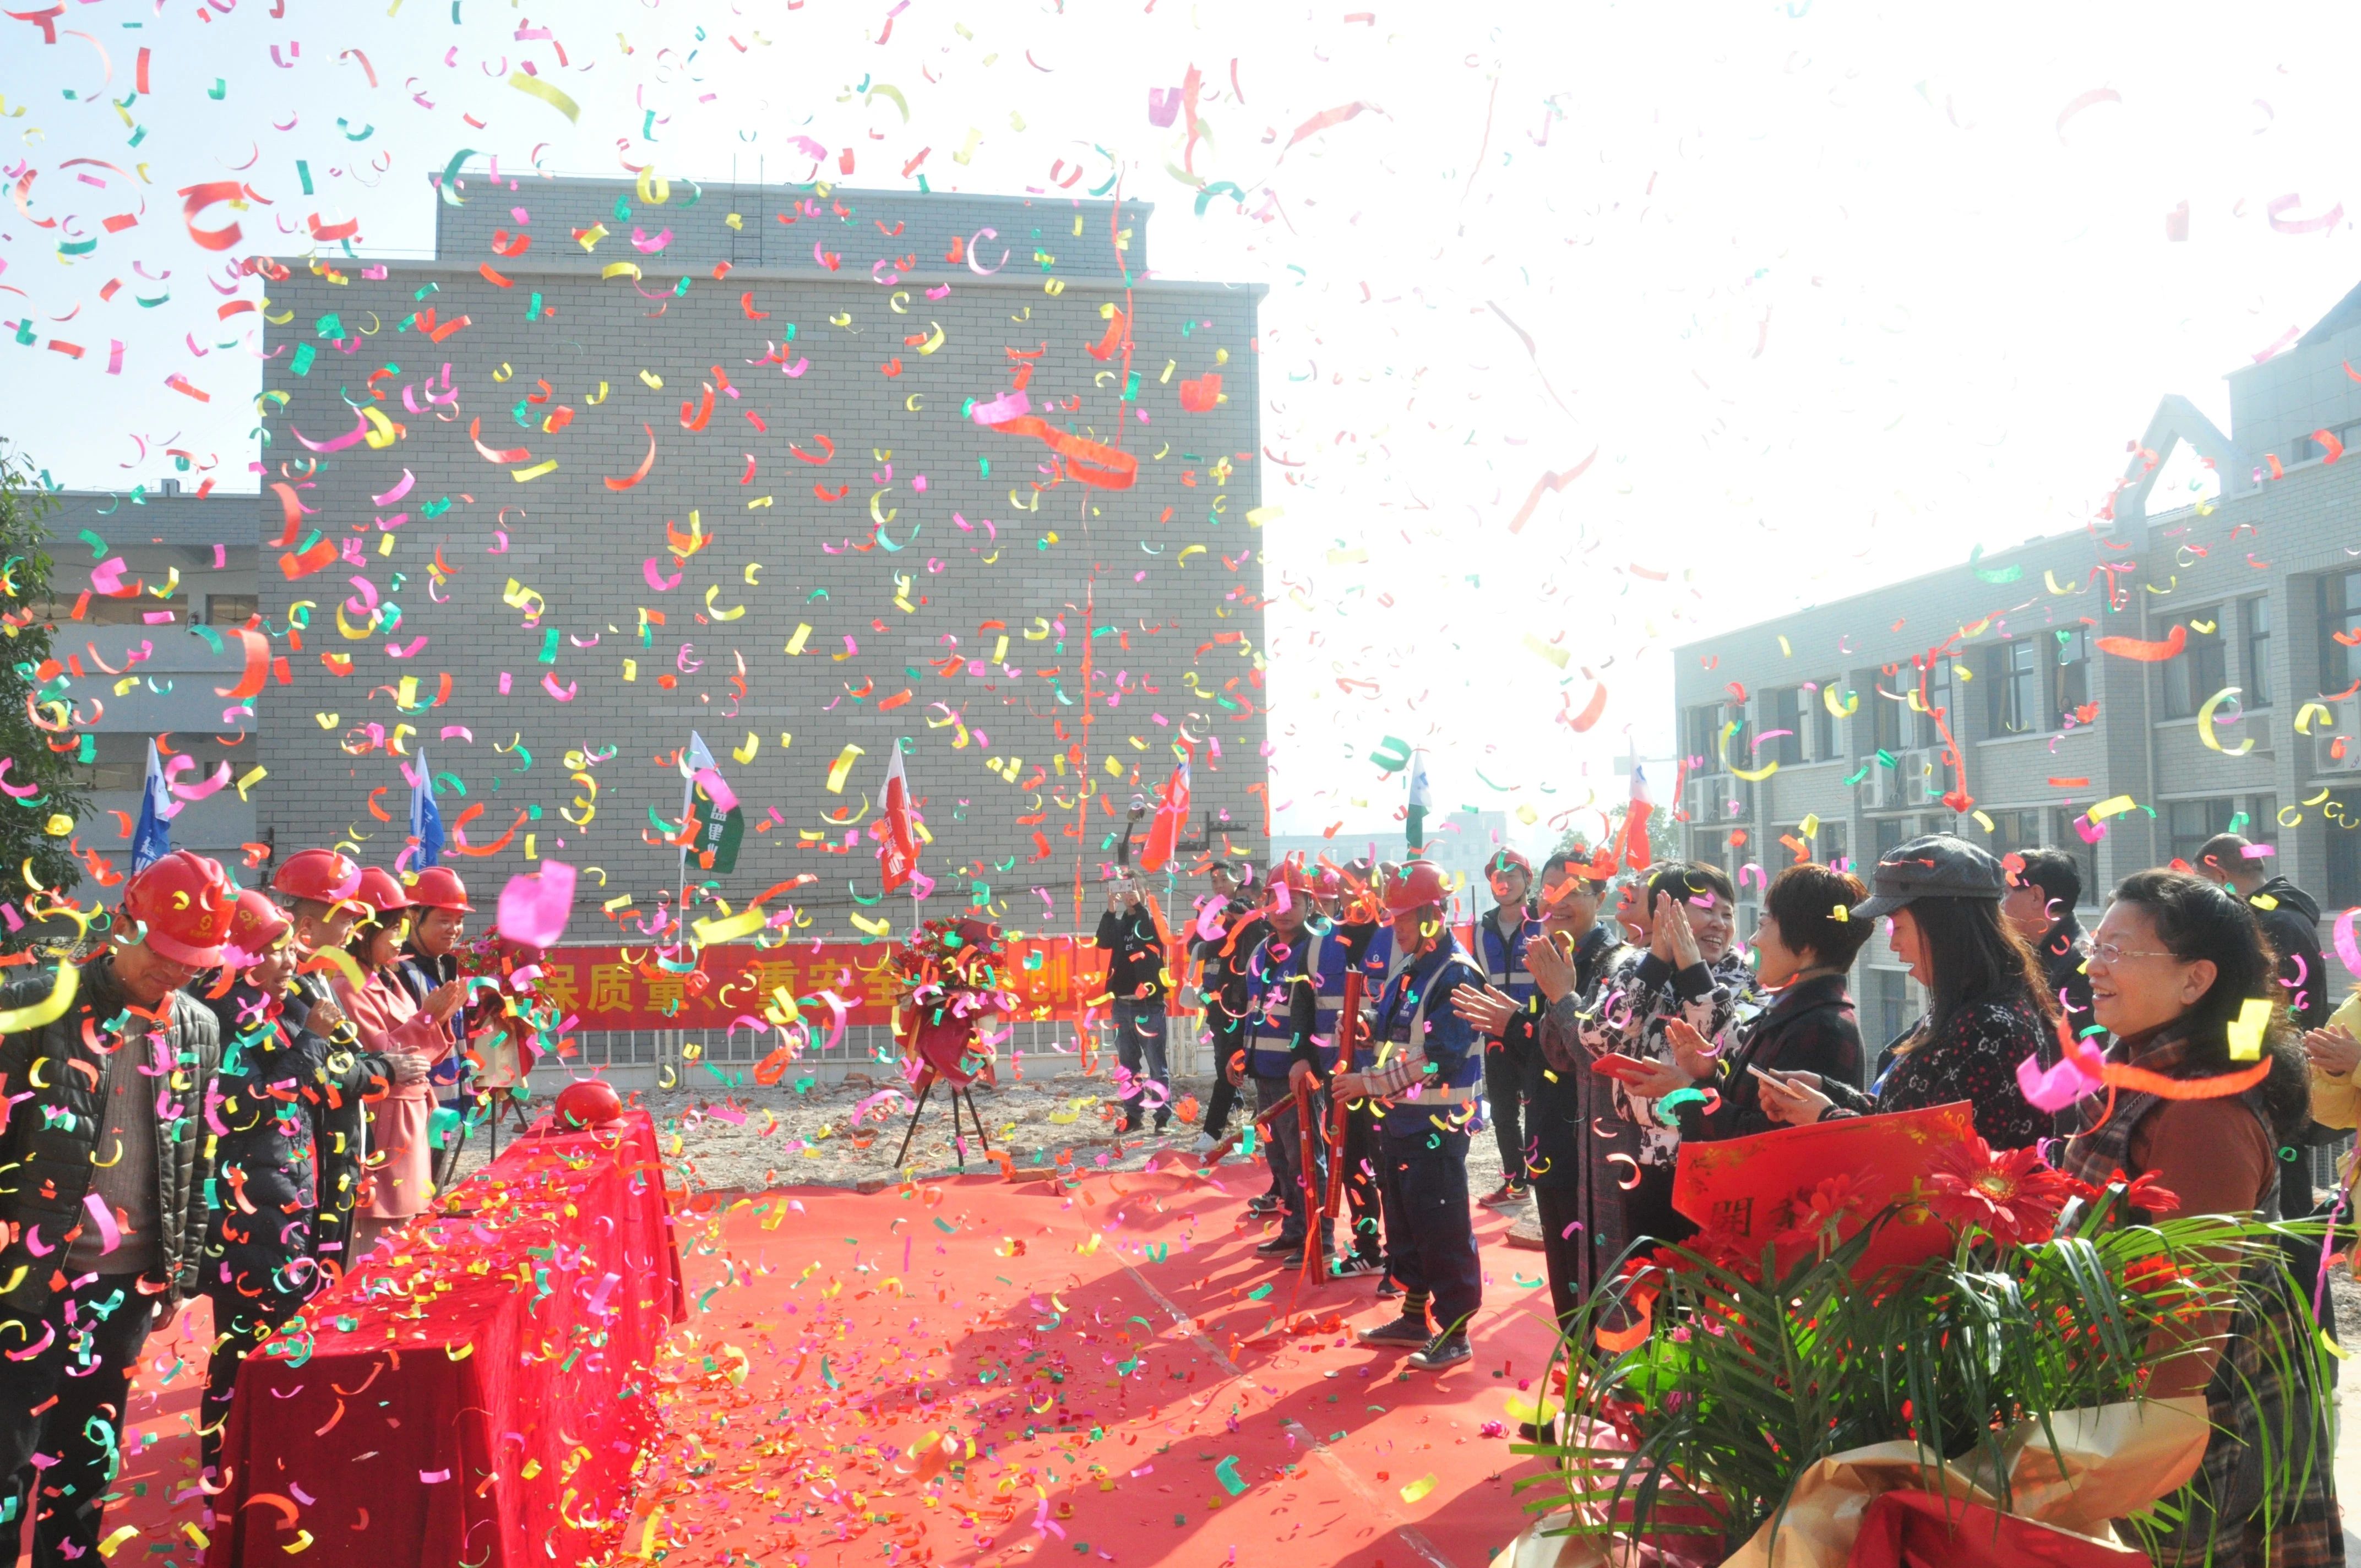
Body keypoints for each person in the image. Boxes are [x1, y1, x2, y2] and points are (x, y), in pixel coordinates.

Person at [2060, 870, 2338, 1566]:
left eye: (2119, 950)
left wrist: (2128, 1469)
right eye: (2097, 944)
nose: (2092, 965)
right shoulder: (2142, 1072)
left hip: (2189, 1421)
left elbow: (2189, 1325)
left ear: (2195, 982)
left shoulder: (2200, 1116)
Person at [0, 852, 229, 1565]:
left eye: (194, 963)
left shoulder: (198, 1028)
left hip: (128, 1283)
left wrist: (180, 1272)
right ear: (123, 925)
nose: (177, 975)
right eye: (165, 956)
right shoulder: (37, 1005)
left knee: (86, 1459)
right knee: (8, 1455)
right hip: (31, 1277)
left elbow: (195, 1159)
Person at [194, 890, 381, 1479]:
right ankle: (224, 1480)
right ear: (238, 957)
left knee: (290, 1349)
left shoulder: (292, 999)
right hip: (244, 1216)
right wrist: (312, 1040)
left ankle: (281, 1470)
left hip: (295, 1201)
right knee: (240, 1357)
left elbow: (337, 1077)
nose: (289, 960)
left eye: (287, 948)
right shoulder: (217, 1013)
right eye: (273, 951)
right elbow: (244, 1107)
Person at [1757, 835, 2053, 1150]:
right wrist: (1829, 1092)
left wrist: (1826, 1117)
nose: (1893, 945)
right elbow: (1905, 1116)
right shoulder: (1964, 1007)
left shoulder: (1990, 1027)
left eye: (1898, 927)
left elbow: (1941, 1159)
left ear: (1942, 928)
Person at [1454, 852, 1626, 1331]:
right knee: (1566, 1285)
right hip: (1551, 1136)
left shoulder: (1613, 966)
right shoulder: (1552, 951)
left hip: (1587, 1146)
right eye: (1553, 891)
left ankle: (1597, 1389)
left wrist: (1517, 1027)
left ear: (1601, 897)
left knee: (1594, 1284)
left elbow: (1585, 1054)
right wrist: (1516, 1024)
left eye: (1575, 891)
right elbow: (1547, 1042)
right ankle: (1581, 1379)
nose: (1560, 901)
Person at [1337, 859, 1486, 1371]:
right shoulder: (1409, 970)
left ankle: (1457, 1332)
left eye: (1404, 917)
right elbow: (1396, 1043)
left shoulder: (1458, 973)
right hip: (1399, 1123)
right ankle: (1413, 1316)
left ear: (1433, 914)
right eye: (1394, 917)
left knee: (1442, 1228)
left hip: (1436, 1128)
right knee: (1405, 1226)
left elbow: (1439, 1056)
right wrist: (1362, 1032)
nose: (1394, 927)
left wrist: (1366, 1083)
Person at [1574, 861, 1760, 1261]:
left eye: (1727, 914)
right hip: (1644, 1158)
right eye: (1706, 910)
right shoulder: (1633, 966)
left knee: (1706, 1292)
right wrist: (1656, 962)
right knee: (1655, 1290)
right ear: (1667, 915)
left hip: (1712, 1155)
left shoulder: (1740, 976)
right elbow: (1596, 1038)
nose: (1719, 924)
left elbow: (1729, 1047)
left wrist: (1695, 971)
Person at [1650, 863, 1871, 1145]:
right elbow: (1748, 1106)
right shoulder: (1792, 1011)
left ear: (1802, 944)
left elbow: (1769, 1141)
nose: (1754, 940)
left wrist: (1689, 1091)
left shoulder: (1822, 1028)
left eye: (1763, 925)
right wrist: (1708, 1074)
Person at [333, 869, 464, 1257]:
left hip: (411, 1117)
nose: (399, 939)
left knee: (408, 1223)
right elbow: (383, 1058)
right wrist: (428, 1020)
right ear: (363, 931)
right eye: (392, 930)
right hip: (385, 1124)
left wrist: (435, 1021)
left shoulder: (386, 977)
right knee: (380, 1232)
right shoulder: (348, 984)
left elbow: (422, 1055)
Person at [268, 847, 379, 1272]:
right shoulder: (288, 989)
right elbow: (324, 1073)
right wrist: (385, 1068)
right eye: (346, 920)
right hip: (309, 1167)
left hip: (339, 1157)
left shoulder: (319, 980)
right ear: (308, 928)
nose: (353, 932)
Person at [1239, 862, 1334, 1270]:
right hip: (1265, 1072)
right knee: (1280, 1159)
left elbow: (1321, 1016)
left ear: (1310, 904)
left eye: (1293, 901)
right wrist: (1241, 1053)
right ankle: (1294, 1230)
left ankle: (1321, 1238)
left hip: (1300, 1076)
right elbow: (1252, 1009)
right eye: (1276, 901)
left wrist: (1306, 1062)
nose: (1284, 909)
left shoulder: (1316, 950)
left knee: (1306, 1160)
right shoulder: (1261, 951)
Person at [393, 866, 476, 1189]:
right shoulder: (398, 971)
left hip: (449, 1099)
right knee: (412, 1189)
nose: (454, 930)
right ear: (413, 917)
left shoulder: (444, 965)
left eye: (459, 921)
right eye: (444, 920)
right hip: (415, 1104)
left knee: (434, 1188)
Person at [2194, 833, 2332, 1029]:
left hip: (2276, 1055)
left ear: (2222, 876)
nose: (2202, 894)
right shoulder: (2277, 916)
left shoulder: (2274, 924)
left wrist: (2242, 1054)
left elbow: (2264, 997)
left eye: (2204, 883)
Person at [1473, 851, 1542, 1208]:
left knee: (1539, 1110)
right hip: (1496, 1037)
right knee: (1502, 1113)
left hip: (1537, 1035)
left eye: (1512, 876)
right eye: (1497, 876)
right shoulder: (1477, 931)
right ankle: (1515, 1182)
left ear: (1527, 882)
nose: (1504, 882)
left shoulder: (1546, 925)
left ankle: (1542, 1182)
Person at [1189, 859, 1264, 1152]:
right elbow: (1197, 946)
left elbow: (1261, 940)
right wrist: (1216, 924)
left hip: (1257, 1006)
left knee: (1266, 1071)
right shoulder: (1213, 915)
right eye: (1214, 881)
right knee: (1226, 1066)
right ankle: (1215, 1130)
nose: (1220, 886)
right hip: (1224, 1003)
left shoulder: (1257, 918)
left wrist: (1245, 918)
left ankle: (1260, 1123)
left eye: (1224, 880)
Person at [1095, 870, 1172, 1134]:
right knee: (1128, 1066)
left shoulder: (1154, 918)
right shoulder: (1120, 923)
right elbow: (1102, 941)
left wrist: (1139, 905)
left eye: (1135, 887)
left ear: (1145, 892)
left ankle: (1163, 1118)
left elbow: (1154, 934)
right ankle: (1134, 1115)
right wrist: (1110, 908)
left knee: (1155, 1063)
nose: (1129, 893)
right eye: (1125, 887)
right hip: (1122, 1004)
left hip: (1149, 1004)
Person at [2000, 846, 2096, 1059]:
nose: (2001, 907)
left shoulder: (2081, 966)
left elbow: (2074, 1058)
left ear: (2036, 896)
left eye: (2006, 895)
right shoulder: (2026, 953)